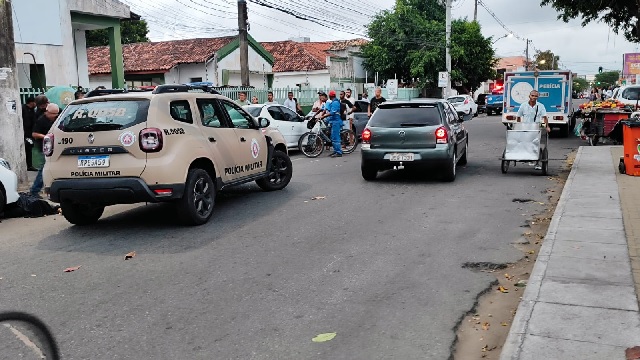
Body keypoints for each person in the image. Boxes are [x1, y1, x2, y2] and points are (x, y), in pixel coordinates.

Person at [30, 103, 60, 198]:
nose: (55, 117)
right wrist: (46, 137)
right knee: (43, 169)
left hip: (54, 147)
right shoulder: (41, 120)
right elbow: (34, 134)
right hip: (44, 147)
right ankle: (34, 190)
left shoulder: (56, 119)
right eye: (53, 115)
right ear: (48, 112)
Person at [516, 90, 550, 170]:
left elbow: (544, 117)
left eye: (536, 96)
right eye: (532, 95)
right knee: (525, 143)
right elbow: (518, 116)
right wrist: (519, 126)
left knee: (536, 145)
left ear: (537, 97)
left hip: (536, 128)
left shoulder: (540, 106)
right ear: (529, 96)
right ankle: (527, 158)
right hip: (525, 128)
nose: (534, 97)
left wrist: (547, 127)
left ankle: (536, 162)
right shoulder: (523, 105)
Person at [321, 90, 343, 157]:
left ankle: (339, 152)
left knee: (335, 137)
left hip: (336, 122)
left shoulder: (335, 103)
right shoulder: (333, 102)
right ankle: (335, 150)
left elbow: (332, 112)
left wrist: (324, 116)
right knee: (332, 137)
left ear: (330, 96)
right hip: (332, 121)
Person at [22, 97, 38, 171]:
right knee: (25, 149)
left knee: (29, 149)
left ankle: (29, 165)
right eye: (34, 102)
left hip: (30, 133)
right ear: (31, 102)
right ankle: (27, 165)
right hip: (24, 133)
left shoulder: (32, 111)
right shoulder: (23, 109)